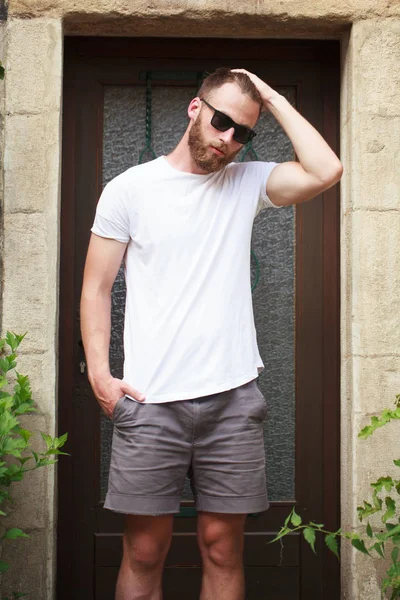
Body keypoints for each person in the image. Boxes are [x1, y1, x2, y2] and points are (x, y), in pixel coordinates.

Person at [80, 67, 342, 600]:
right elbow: (96, 288)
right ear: (195, 109)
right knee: (144, 550)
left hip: (231, 402)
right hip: (152, 402)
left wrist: (269, 96)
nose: (228, 139)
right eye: (222, 121)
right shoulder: (130, 189)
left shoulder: (245, 182)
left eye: (242, 132)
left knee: (223, 547)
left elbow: (326, 169)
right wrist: (102, 378)